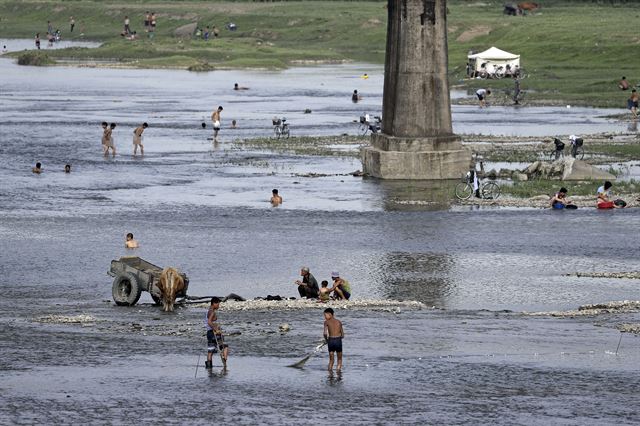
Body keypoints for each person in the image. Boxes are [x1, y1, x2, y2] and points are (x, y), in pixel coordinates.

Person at [205, 297, 229, 368]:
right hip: (213, 333)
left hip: (209, 333)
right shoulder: (212, 312)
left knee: (210, 351)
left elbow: (209, 322)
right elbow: (209, 322)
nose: (219, 305)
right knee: (225, 347)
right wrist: (216, 329)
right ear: (214, 303)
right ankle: (224, 361)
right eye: (218, 304)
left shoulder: (208, 311)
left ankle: (209, 369)